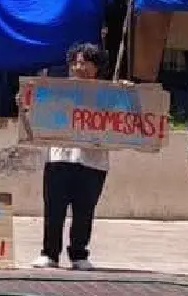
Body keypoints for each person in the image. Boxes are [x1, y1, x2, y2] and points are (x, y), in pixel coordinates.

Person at [31, 43, 112, 270]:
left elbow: (129, 113)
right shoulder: (56, 90)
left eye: (85, 62)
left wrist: (127, 92)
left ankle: (79, 254)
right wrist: (25, 102)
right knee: (54, 209)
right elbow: (36, 116)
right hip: (59, 157)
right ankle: (49, 254)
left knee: (84, 210)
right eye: (75, 62)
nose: (79, 67)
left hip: (93, 160)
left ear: (97, 67)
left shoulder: (110, 93)